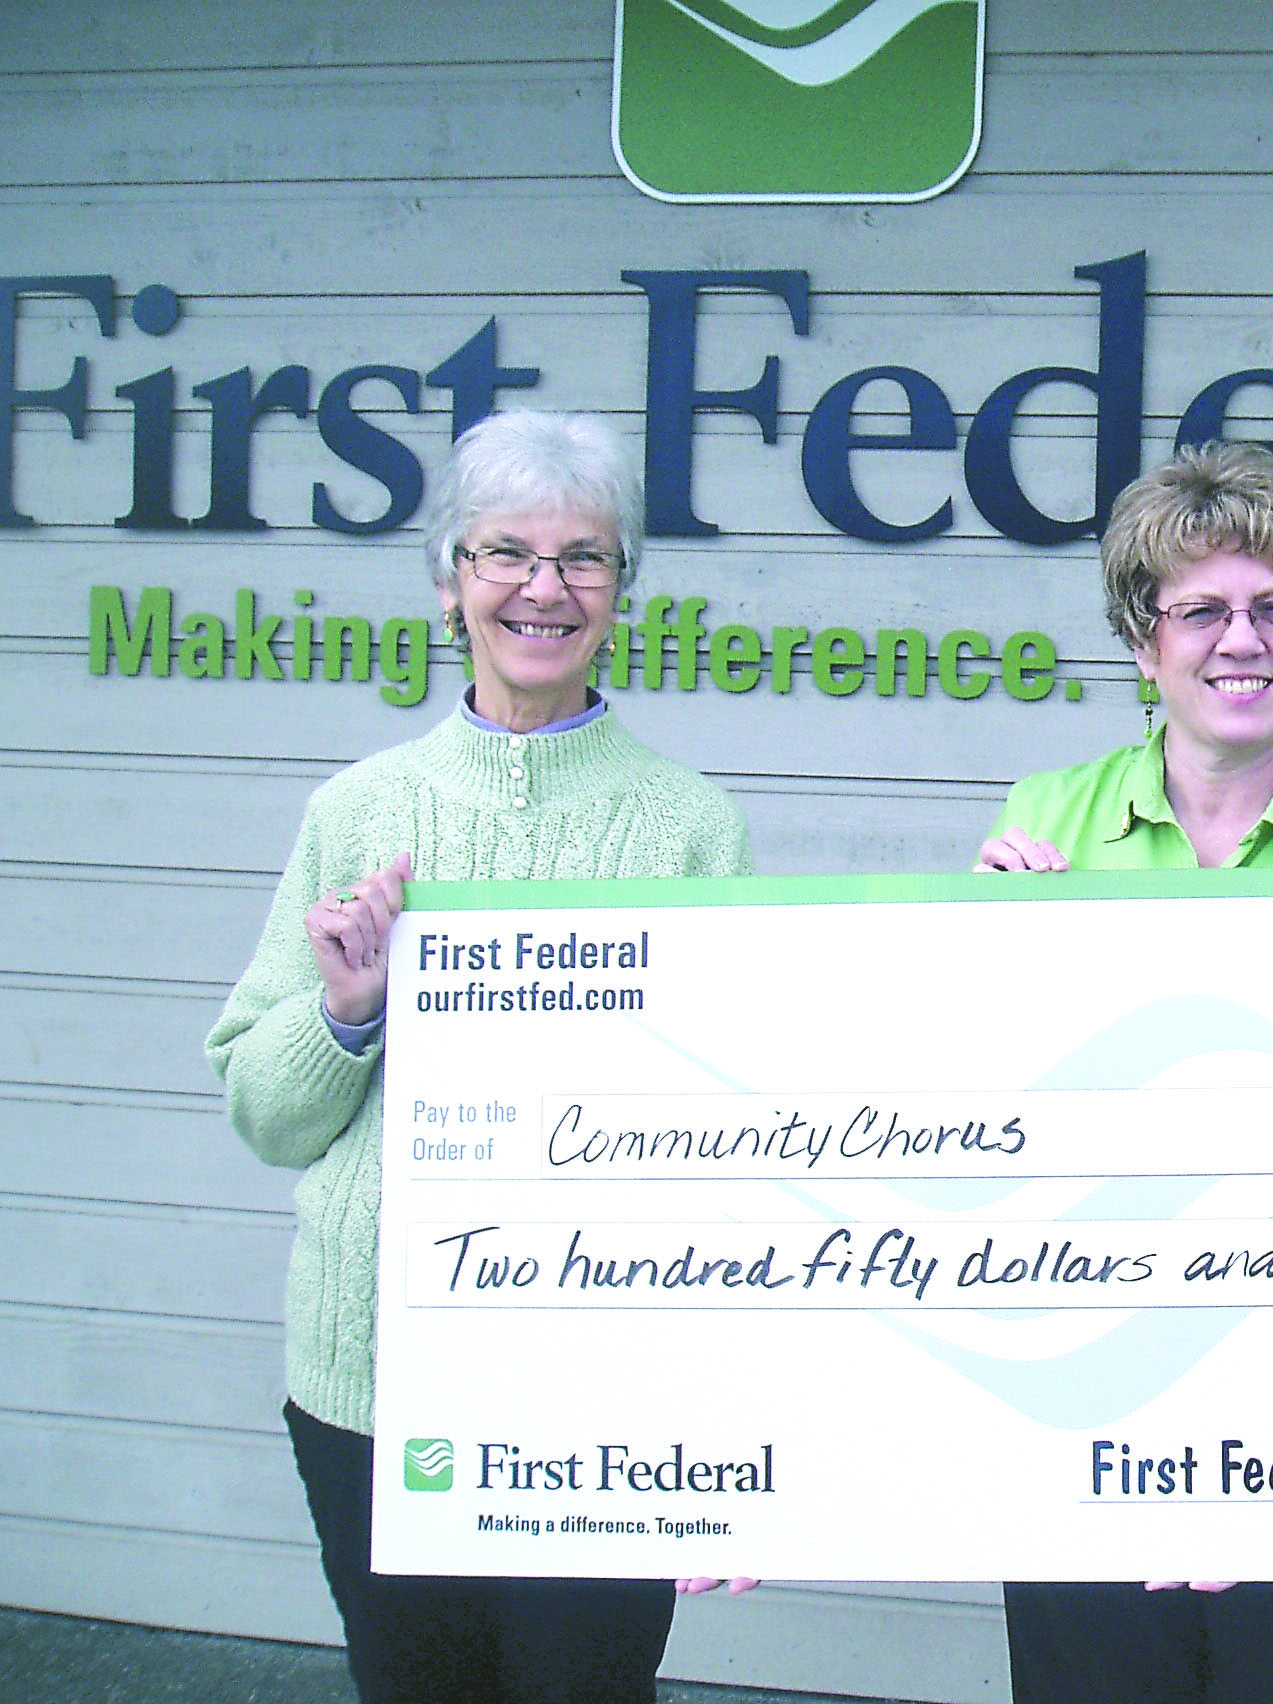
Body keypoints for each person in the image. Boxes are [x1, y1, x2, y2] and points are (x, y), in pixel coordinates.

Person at [207, 411, 754, 1704]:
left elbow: (728, 1141)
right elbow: (266, 1115)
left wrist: (721, 1415)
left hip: (600, 1394)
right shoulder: (356, 812)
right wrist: (344, 1013)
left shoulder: (692, 828)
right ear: (450, 580)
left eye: (585, 559)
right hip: (373, 1383)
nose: (544, 589)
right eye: (506, 553)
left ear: (626, 591)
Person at [979, 441, 1273, 1704]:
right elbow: (993, 1122)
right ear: (1145, 643)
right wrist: (978, 965)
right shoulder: (1046, 820)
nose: (1237, 640)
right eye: (1198, 610)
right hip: (1095, 1404)